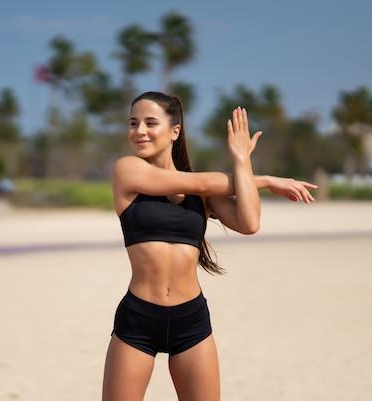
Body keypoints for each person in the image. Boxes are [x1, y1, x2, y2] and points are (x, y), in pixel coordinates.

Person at [102, 91, 317, 401]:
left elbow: (249, 222)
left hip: (191, 321)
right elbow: (201, 183)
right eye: (133, 123)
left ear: (175, 131)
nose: (139, 131)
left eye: (150, 123)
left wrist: (243, 159)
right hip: (138, 319)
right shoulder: (127, 170)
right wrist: (268, 180)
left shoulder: (203, 192)